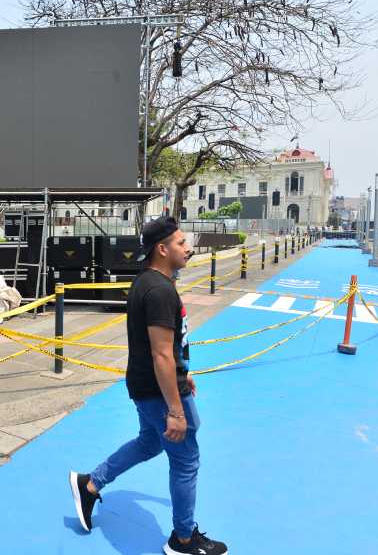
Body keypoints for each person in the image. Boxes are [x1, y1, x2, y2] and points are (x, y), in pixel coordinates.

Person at [68, 217, 227, 555]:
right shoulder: (157, 290)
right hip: (158, 391)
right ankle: (183, 539)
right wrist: (175, 409)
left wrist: (183, 373)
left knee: (149, 443)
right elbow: (160, 355)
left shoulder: (150, 282)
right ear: (162, 248)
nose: (188, 248)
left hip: (148, 384)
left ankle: (90, 483)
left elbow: (165, 348)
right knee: (186, 460)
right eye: (181, 242)